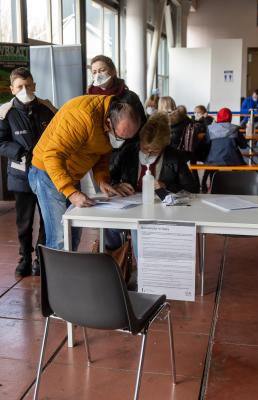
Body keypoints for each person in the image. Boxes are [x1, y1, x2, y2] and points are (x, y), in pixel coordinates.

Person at [28, 95, 142, 250]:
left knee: (73, 234)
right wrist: (71, 193)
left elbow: (102, 153)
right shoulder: (82, 116)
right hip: (47, 172)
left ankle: (67, 272)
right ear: (109, 123)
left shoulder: (113, 119)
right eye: (120, 137)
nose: (122, 142)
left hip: (71, 174)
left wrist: (103, 180)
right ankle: (55, 273)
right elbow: (52, 156)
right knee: (60, 237)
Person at [110, 112, 199, 257]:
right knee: (109, 227)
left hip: (162, 210)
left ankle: (144, 273)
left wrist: (166, 185)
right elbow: (111, 176)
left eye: (154, 150)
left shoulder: (174, 156)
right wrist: (116, 185)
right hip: (131, 205)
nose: (149, 153)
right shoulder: (128, 151)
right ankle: (114, 262)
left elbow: (192, 188)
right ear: (140, 140)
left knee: (140, 227)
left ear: (164, 145)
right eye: (145, 148)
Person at [0, 67, 57, 277]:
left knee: (47, 219)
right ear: (12, 89)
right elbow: (1, 142)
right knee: (24, 221)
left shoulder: (47, 108)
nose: (25, 89)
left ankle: (40, 259)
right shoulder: (5, 113)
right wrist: (21, 152)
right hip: (21, 175)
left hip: (46, 175)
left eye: (28, 85)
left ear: (35, 85)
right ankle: (24, 256)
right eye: (20, 86)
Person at [205, 108, 247, 183]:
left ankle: (213, 184)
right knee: (238, 163)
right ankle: (236, 183)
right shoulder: (235, 128)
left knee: (212, 163)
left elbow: (207, 143)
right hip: (233, 160)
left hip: (214, 160)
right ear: (230, 117)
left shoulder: (210, 129)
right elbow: (244, 146)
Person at [192, 105, 213, 192]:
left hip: (206, 148)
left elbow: (208, 128)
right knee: (192, 161)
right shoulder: (192, 121)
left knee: (210, 163)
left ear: (204, 113)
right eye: (195, 112)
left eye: (198, 112)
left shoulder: (208, 120)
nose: (196, 114)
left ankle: (204, 181)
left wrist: (205, 118)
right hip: (196, 148)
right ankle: (196, 183)